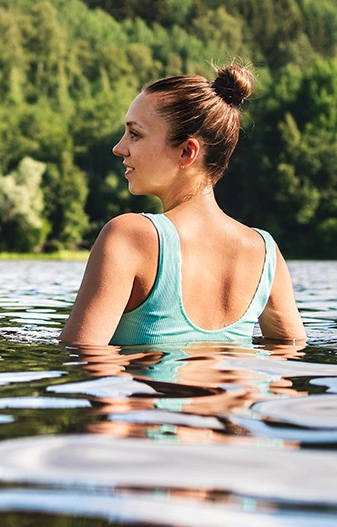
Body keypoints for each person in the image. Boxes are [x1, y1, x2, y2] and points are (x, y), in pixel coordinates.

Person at [60, 64, 305, 346]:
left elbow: (83, 358)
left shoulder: (129, 236)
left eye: (135, 134)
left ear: (187, 152)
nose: (119, 148)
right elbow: (289, 364)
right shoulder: (264, 252)